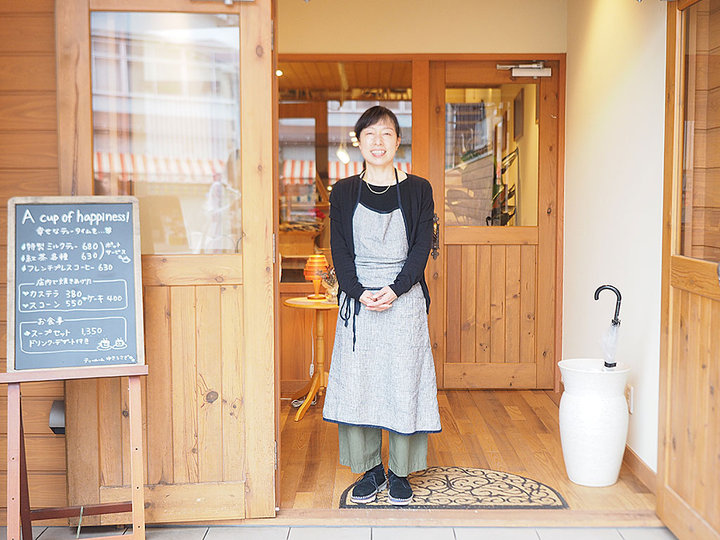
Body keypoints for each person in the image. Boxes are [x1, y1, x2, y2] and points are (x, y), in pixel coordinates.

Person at [322, 105, 441, 506]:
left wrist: (396, 288)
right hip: (359, 301)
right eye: (370, 134)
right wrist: (356, 290)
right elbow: (339, 246)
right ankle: (371, 468)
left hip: (403, 299)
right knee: (359, 385)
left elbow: (421, 246)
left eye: (386, 134)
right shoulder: (343, 191)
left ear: (397, 141)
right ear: (359, 141)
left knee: (403, 381)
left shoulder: (419, 189)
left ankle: (400, 471)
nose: (378, 142)